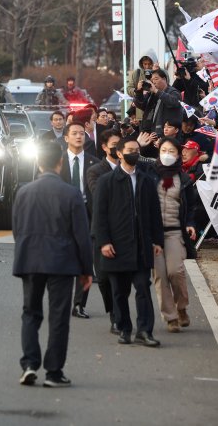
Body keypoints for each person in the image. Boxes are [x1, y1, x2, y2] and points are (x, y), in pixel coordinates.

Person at [12, 140, 92, 388]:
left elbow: (17, 229)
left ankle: (29, 364)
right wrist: (86, 269)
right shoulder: (71, 193)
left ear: (38, 163)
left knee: (30, 313)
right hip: (62, 261)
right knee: (58, 317)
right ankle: (54, 371)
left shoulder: (23, 192)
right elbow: (82, 234)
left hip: (30, 259)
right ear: (60, 163)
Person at [92, 136, 164, 348]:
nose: (135, 153)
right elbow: (100, 215)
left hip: (141, 245)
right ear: (120, 153)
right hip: (116, 246)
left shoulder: (146, 180)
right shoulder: (107, 181)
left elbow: (154, 214)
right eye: (130, 149)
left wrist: (157, 240)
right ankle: (124, 329)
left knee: (143, 287)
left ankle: (144, 331)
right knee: (119, 291)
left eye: (137, 150)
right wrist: (104, 242)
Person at [150, 138, 198, 333]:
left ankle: (182, 307)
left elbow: (191, 206)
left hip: (175, 232)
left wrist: (190, 224)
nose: (167, 154)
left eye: (171, 150)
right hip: (154, 235)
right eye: (163, 150)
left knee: (175, 272)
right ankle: (170, 317)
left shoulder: (184, 179)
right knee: (160, 275)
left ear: (178, 154)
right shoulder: (149, 176)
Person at [58, 122, 100, 319]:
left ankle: (78, 304)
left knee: (85, 261)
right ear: (66, 138)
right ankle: (62, 300)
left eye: (82, 133)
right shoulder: (58, 163)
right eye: (74, 133)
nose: (78, 136)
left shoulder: (94, 162)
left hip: (88, 215)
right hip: (63, 217)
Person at [86, 129, 123, 334]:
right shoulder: (95, 171)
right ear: (104, 147)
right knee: (104, 276)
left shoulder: (132, 168)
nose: (117, 148)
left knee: (122, 278)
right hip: (101, 230)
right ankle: (112, 310)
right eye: (114, 144)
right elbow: (98, 194)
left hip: (125, 232)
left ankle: (118, 316)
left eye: (120, 144)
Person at [133, 68, 182, 136]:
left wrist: (156, 91)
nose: (153, 82)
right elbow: (140, 105)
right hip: (148, 132)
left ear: (164, 79)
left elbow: (174, 102)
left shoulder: (172, 92)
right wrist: (138, 91)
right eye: (152, 80)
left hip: (163, 133)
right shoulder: (152, 93)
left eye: (156, 79)